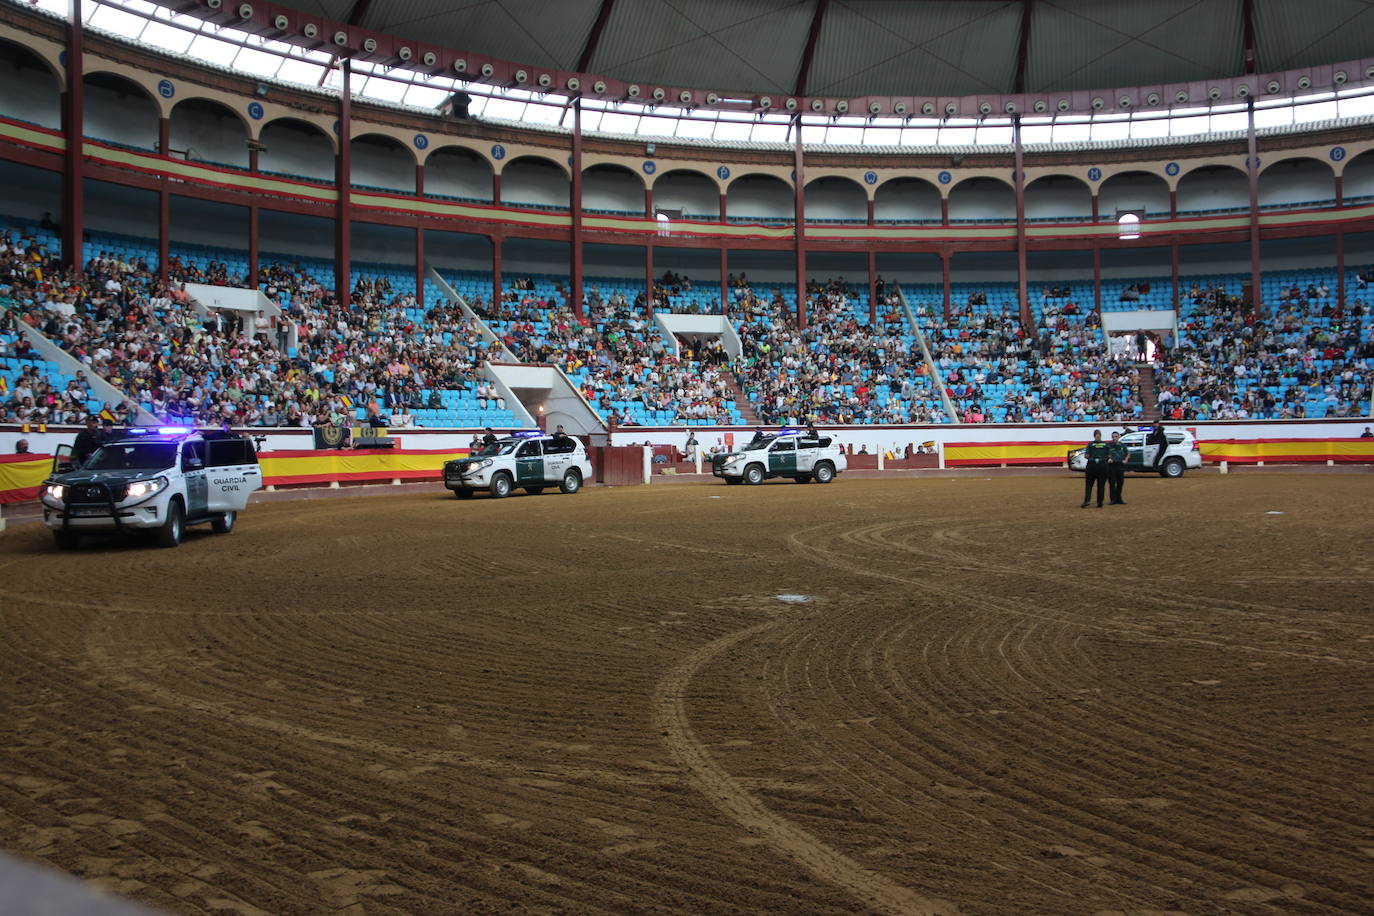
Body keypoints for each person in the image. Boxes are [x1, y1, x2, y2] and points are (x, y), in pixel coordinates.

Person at [1081, 429, 1110, 508]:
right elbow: (1109, 456)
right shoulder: (1106, 445)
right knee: (1101, 485)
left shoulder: (1090, 444)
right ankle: (1099, 502)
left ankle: (1087, 500)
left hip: (1092, 465)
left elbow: (1086, 456)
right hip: (1103, 465)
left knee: (1089, 484)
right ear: (1100, 435)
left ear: (1094, 435)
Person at [1106, 431, 1128, 506]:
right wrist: (1108, 458)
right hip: (1112, 466)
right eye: (1113, 437)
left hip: (1120, 466)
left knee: (1120, 483)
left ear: (1119, 437)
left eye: (1116, 436)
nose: (1114, 438)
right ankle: (1113, 499)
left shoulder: (1123, 445)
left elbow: (1127, 454)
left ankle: (1119, 498)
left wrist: (1126, 460)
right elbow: (1106, 453)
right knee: (1112, 483)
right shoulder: (1109, 445)